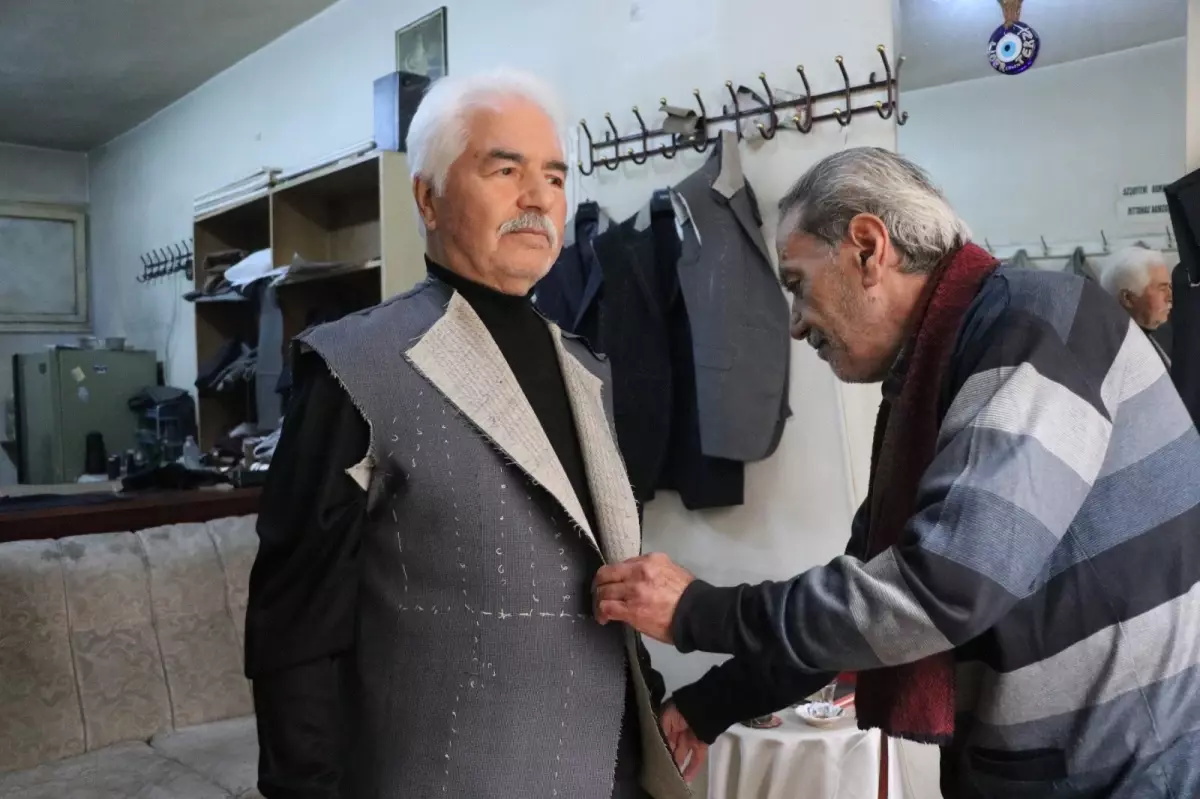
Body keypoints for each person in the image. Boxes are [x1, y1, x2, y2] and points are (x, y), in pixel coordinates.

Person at [592, 148, 1200, 797]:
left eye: (796, 283)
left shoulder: (1034, 331)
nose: (795, 325)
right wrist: (712, 702)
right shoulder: (944, 369)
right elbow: (873, 588)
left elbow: (939, 589)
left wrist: (700, 611)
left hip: (1125, 775)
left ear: (867, 248)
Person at [245, 69, 689, 799]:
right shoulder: (354, 366)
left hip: (611, 771)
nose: (537, 197)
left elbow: (599, 560)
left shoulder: (588, 369)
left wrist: (655, 706)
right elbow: (295, 626)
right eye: (505, 170)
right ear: (428, 198)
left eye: (554, 176)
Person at [1099, 246, 1174, 364]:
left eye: (1169, 287)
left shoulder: (1164, 335)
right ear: (1128, 298)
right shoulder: (1113, 355)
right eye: (1162, 288)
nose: (1170, 297)